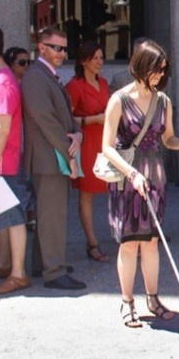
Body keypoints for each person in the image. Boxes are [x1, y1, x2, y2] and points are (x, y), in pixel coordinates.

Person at [102, 40, 179, 327]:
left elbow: (167, 137)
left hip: (155, 176)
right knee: (130, 244)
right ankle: (127, 301)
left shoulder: (163, 101)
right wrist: (131, 174)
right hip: (128, 177)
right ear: (141, 66)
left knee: (152, 241)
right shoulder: (118, 99)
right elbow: (106, 146)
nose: (159, 75)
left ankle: (153, 298)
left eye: (163, 71)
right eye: (156, 69)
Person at [22, 28, 86, 290]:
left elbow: (65, 117)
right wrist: (69, 153)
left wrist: (78, 135)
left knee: (49, 214)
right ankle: (54, 271)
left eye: (64, 48)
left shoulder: (47, 75)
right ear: (41, 47)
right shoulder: (36, 77)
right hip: (48, 158)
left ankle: (43, 263)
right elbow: (46, 121)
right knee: (52, 215)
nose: (62, 53)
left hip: (53, 155)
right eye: (56, 47)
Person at [65, 41, 111, 262]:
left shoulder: (103, 83)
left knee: (114, 189)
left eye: (101, 58)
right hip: (86, 144)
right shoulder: (74, 86)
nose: (100, 62)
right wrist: (94, 119)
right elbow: (66, 119)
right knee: (88, 195)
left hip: (106, 142)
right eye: (95, 58)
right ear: (84, 61)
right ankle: (92, 243)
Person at [0, 26, 30, 295]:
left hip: (4, 161)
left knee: (14, 216)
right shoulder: (4, 78)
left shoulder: (3, 82)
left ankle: (18, 273)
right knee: (5, 215)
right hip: (3, 161)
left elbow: (2, 128)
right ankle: (6, 264)